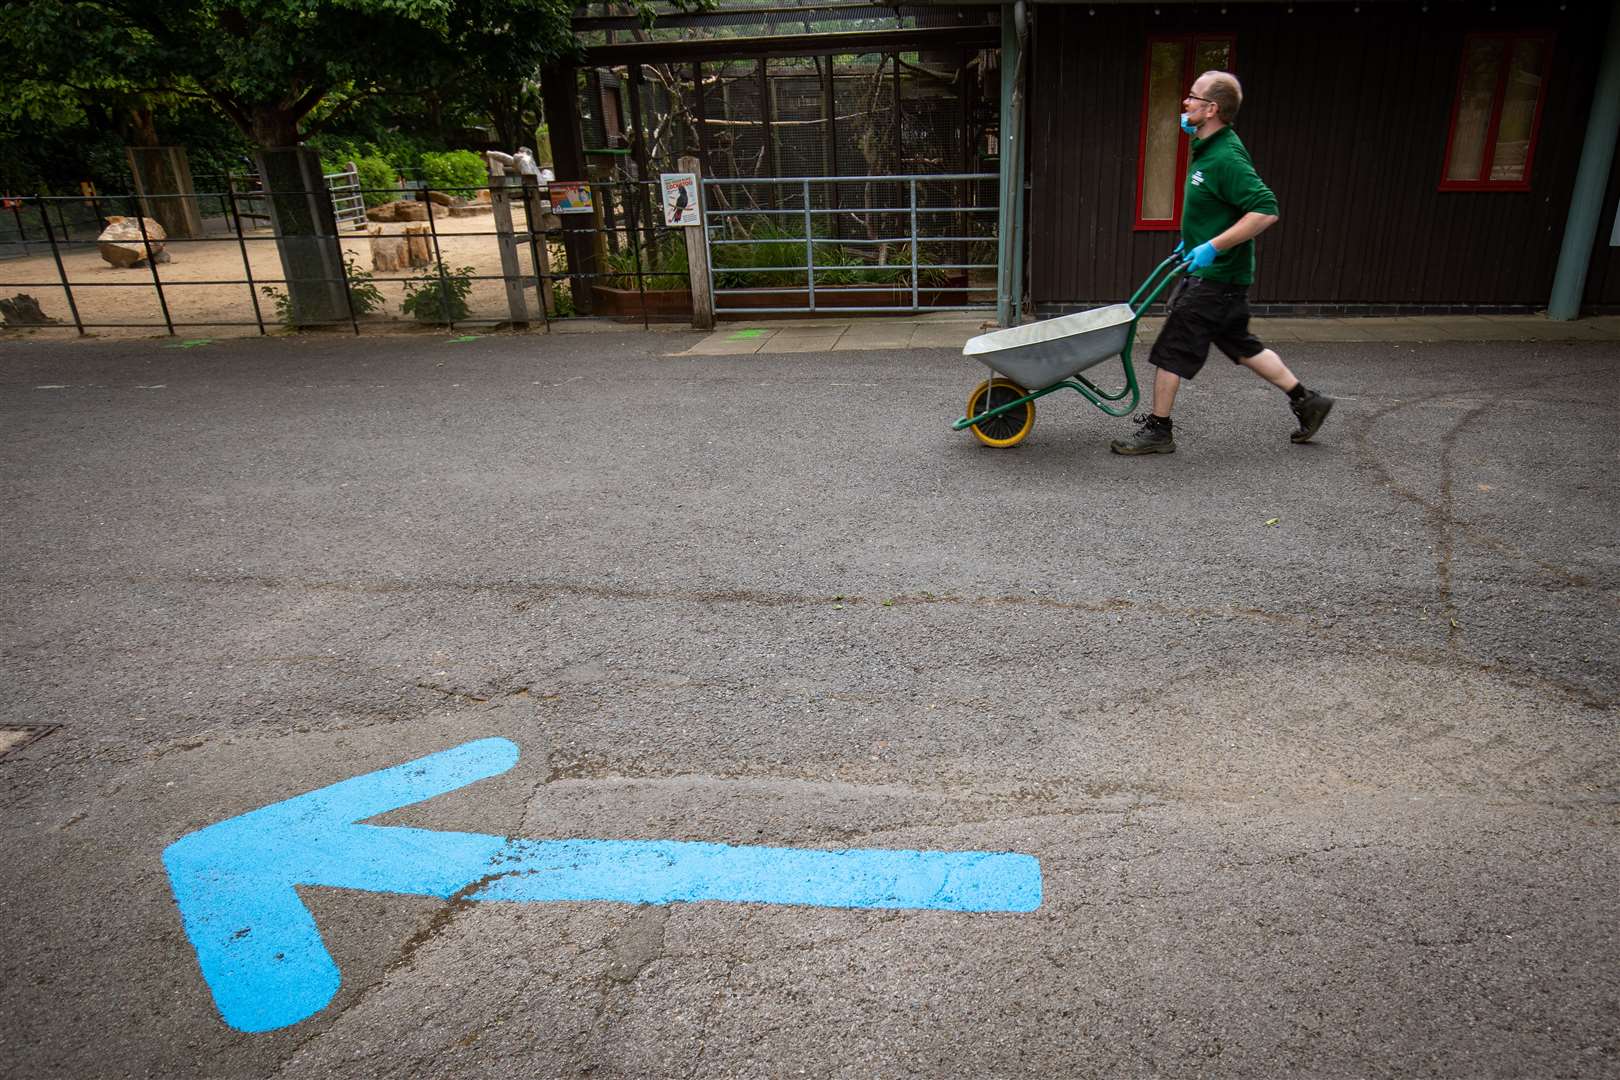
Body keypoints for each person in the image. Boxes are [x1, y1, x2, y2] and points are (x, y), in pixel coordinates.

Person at [1111, 70, 1333, 456]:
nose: (1186, 103)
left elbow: (1266, 209)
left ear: (1212, 108)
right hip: (1220, 276)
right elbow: (1218, 205)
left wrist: (1212, 246)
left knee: (1173, 349)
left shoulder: (1226, 157)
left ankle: (1159, 431)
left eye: (1193, 98)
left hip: (1215, 278)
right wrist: (1193, 242)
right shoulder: (1208, 148)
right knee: (1242, 345)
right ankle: (1307, 400)